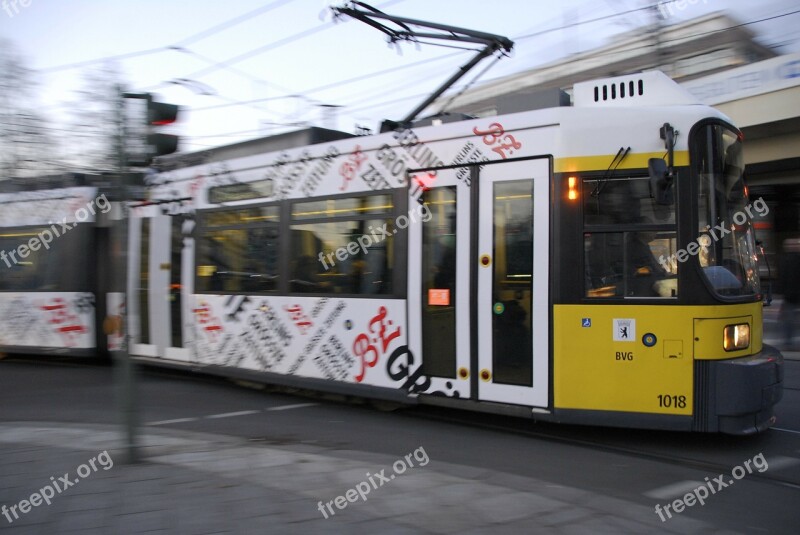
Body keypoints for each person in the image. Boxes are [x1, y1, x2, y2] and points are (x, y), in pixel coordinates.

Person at [779, 238, 800, 349]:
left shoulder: (784, 259)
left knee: (788, 320)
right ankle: (788, 342)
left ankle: (788, 342)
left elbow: (782, 277)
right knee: (789, 320)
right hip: (791, 295)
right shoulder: (788, 259)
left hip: (790, 295)